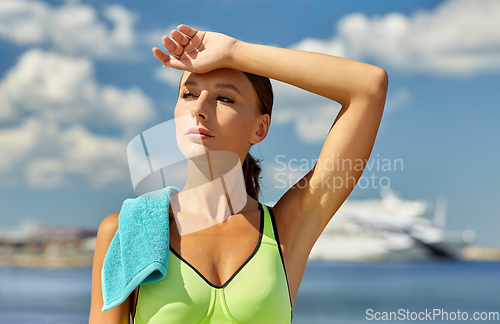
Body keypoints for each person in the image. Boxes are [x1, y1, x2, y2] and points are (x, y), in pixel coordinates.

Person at [89, 24, 388, 323]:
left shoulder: (285, 230)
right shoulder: (129, 231)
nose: (199, 109)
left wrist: (234, 52)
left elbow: (368, 87)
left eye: (224, 98)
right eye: (189, 94)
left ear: (260, 128)